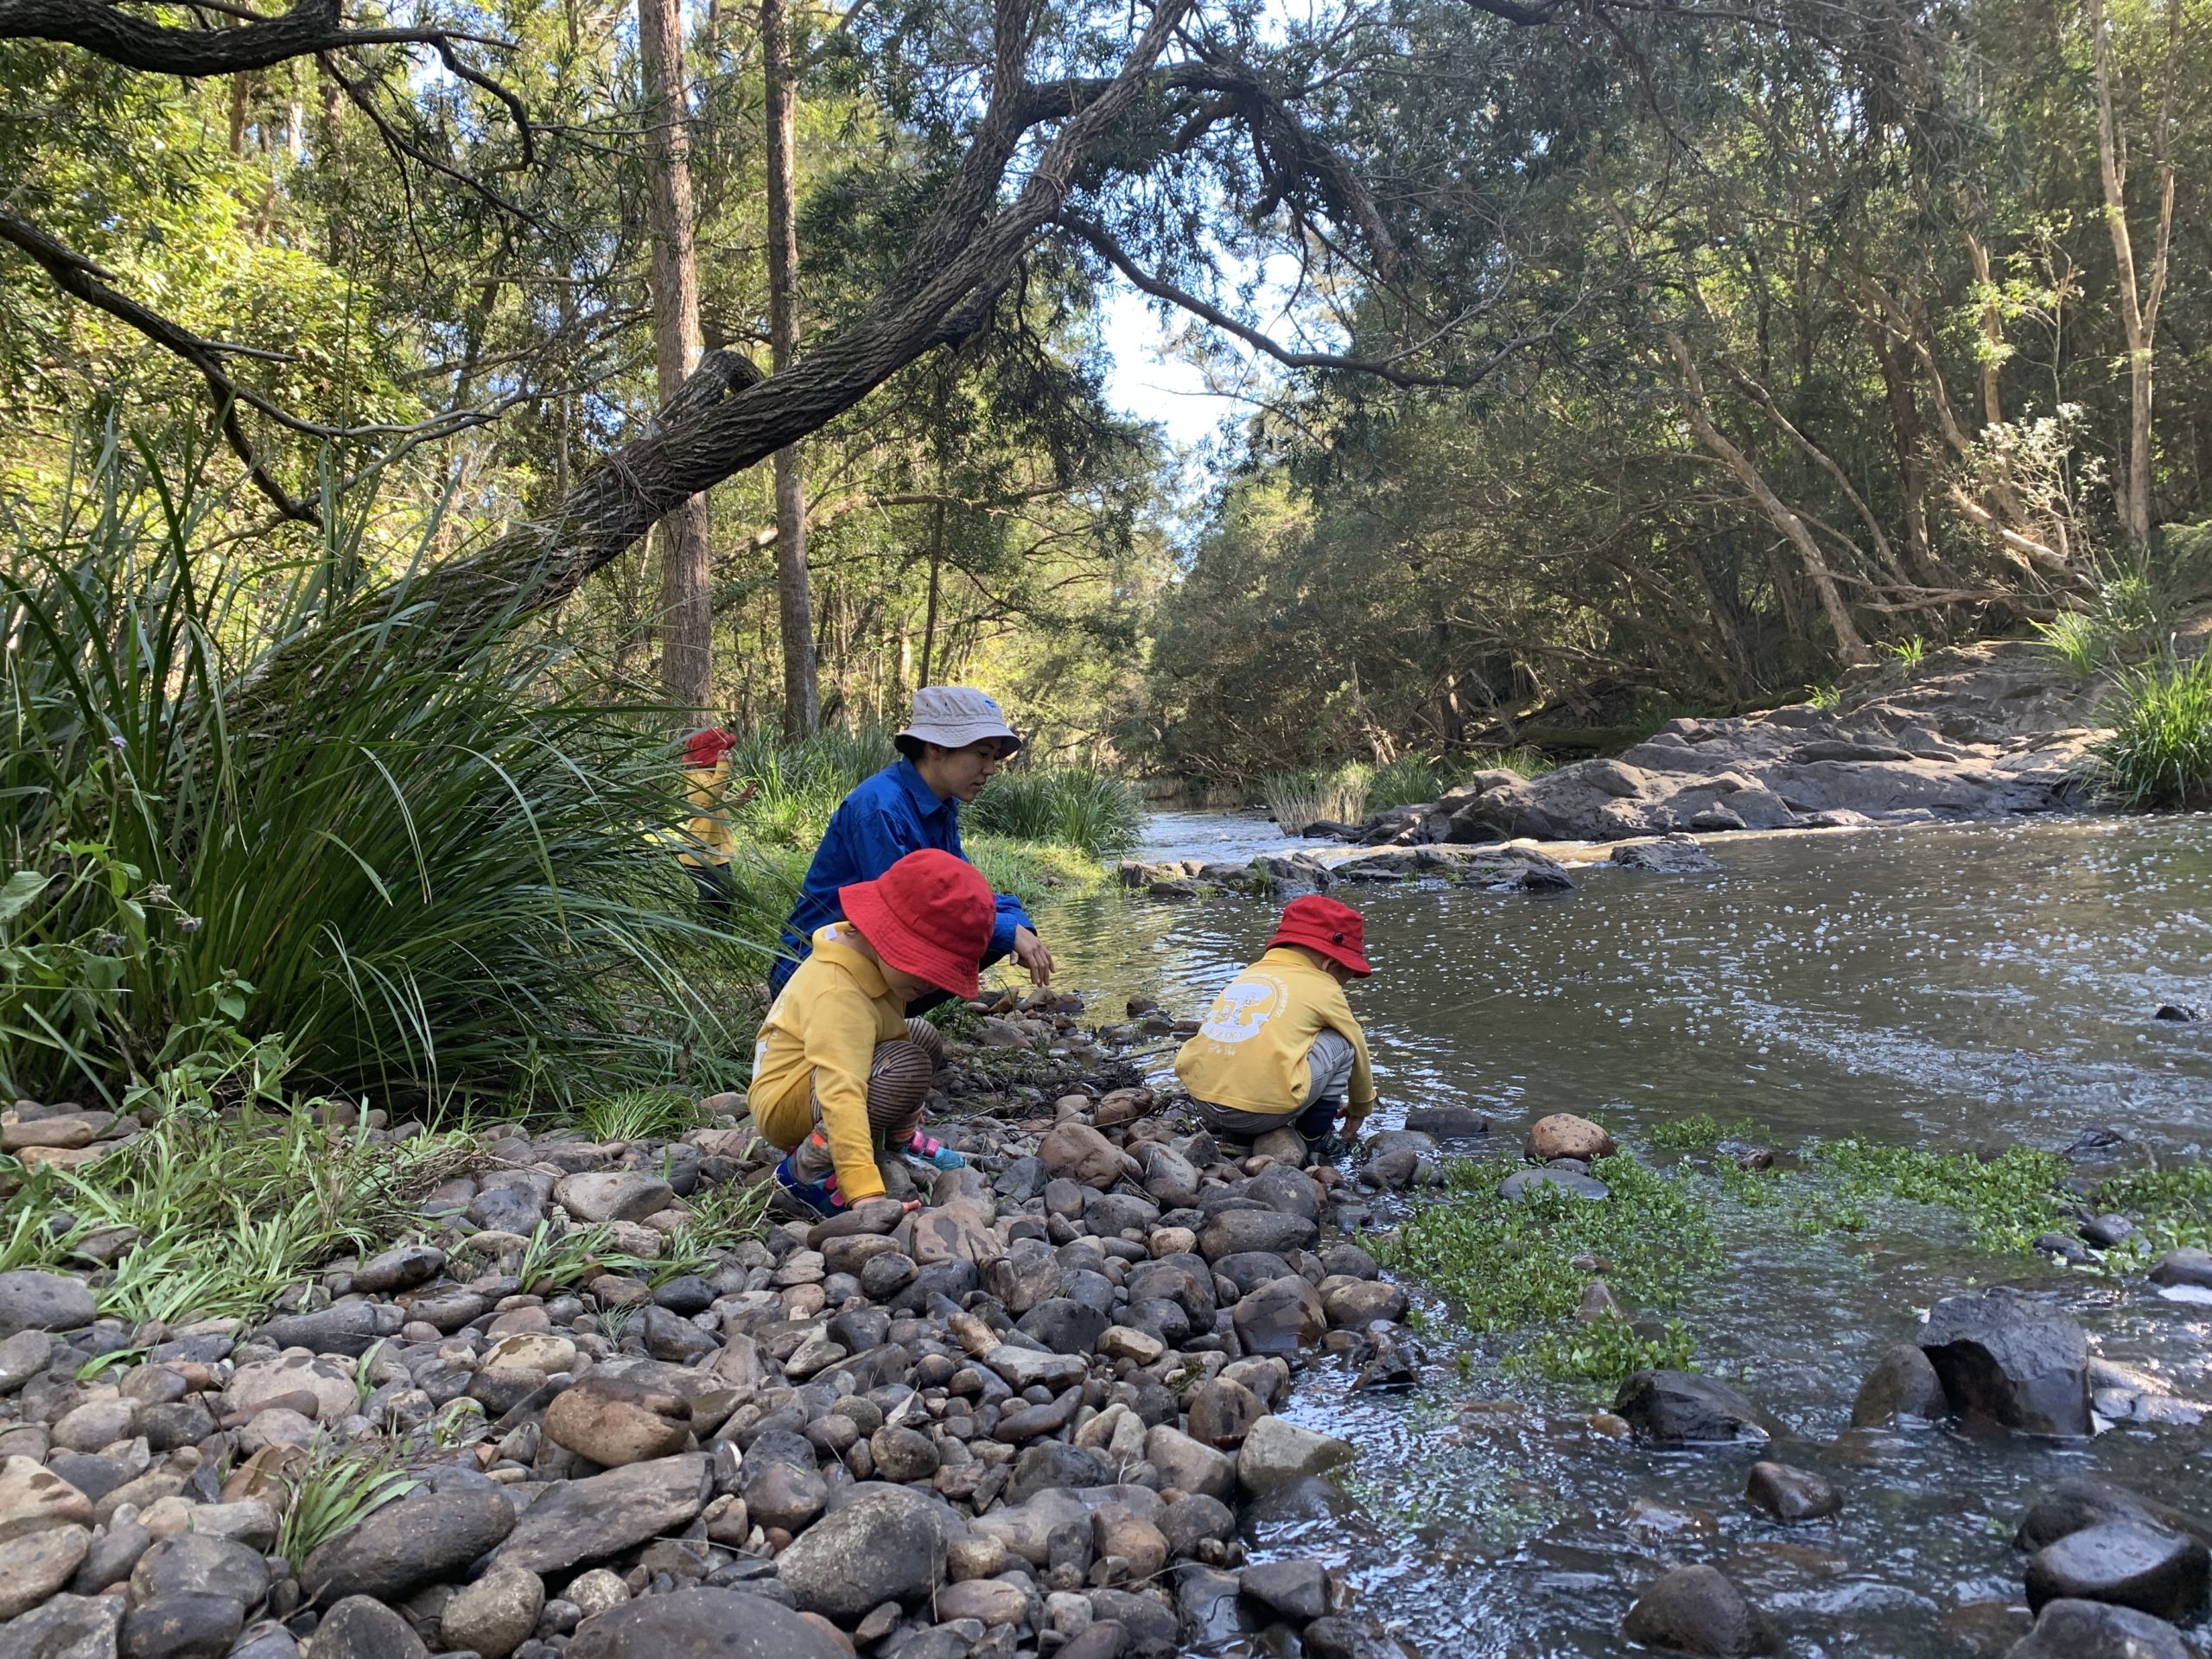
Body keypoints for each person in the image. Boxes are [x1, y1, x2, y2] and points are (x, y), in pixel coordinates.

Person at [766, 686, 1053, 1002]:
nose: (991, 769)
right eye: (982, 754)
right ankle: (859, 1027)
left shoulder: (939, 805)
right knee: (991, 933)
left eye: (995, 757)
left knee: (997, 928)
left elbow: (965, 893)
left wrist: (1019, 924)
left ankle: (883, 1021)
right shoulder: (881, 807)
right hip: (810, 975)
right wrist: (1007, 930)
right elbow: (902, 916)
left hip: (855, 961)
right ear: (936, 747)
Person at [749, 849, 991, 1217]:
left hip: (814, 1077)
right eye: (926, 969)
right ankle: (806, 1168)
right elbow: (840, 1093)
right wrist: (865, 1192)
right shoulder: (839, 995)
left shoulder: (867, 953)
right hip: (786, 1100)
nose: (933, 984)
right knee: (906, 1063)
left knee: (921, 1035)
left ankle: (898, 1141)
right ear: (885, 936)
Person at [1174, 894, 1378, 1150]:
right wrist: (1360, 1107)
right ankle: (1314, 1139)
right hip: (1260, 1114)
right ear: (1331, 964)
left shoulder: (1250, 973)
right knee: (1343, 1041)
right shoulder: (1324, 986)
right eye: (1344, 978)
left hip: (1203, 1100)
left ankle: (1236, 1135)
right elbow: (1357, 1045)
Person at [677, 727, 744, 918]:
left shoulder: (709, 777)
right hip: (702, 856)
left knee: (724, 894)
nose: (726, 755)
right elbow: (709, 798)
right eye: (721, 752)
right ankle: (709, 931)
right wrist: (723, 769)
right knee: (713, 898)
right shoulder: (696, 779)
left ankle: (723, 925)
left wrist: (739, 800)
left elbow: (717, 807)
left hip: (717, 853)